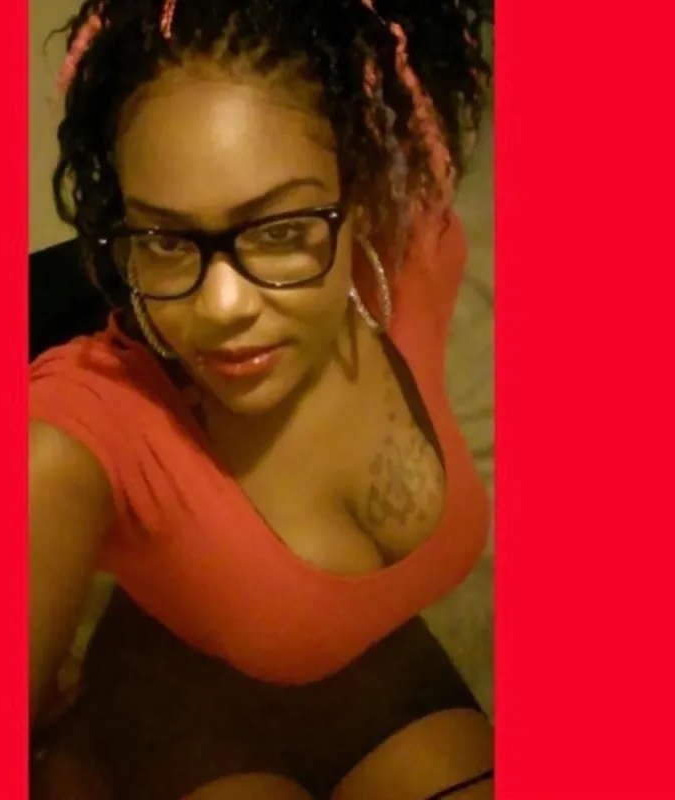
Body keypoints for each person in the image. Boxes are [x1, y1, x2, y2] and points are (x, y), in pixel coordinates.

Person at [29, 0, 493, 797]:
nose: (220, 308)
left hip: (380, 681)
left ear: (360, 197)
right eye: (165, 240)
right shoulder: (76, 436)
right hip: (173, 725)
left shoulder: (420, 262)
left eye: (280, 230)